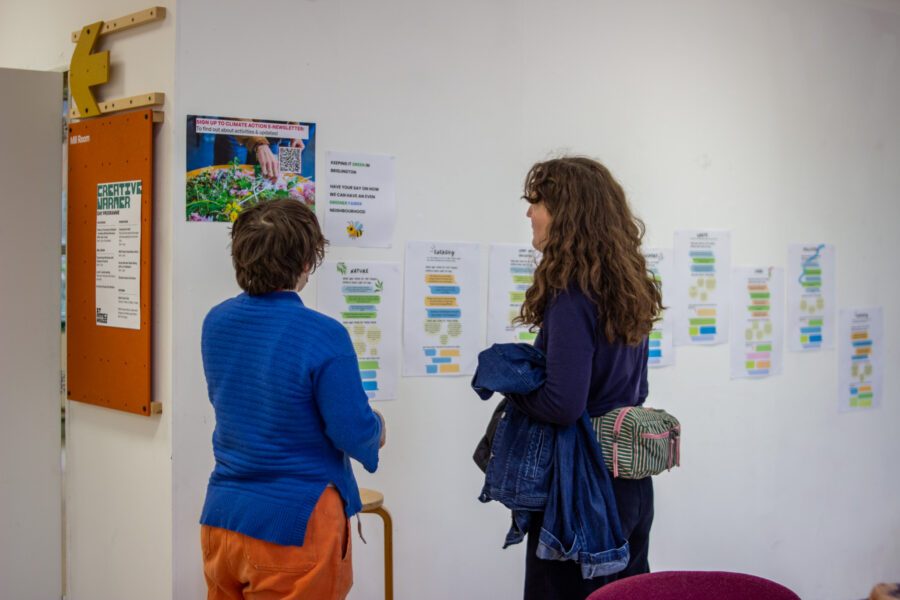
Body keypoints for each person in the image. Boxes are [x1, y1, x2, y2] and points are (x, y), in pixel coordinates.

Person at [199, 199, 385, 600]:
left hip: (223, 519)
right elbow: (352, 431)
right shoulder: (323, 335)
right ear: (305, 262)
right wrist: (379, 430)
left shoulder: (216, 322)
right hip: (296, 524)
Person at [513, 157, 663, 599]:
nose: (529, 214)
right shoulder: (627, 287)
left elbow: (563, 404)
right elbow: (638, 390)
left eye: (536, 203)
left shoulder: (571, 294)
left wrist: (516, 392)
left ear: (565, 214)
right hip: (630, 486)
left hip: (580, 491)